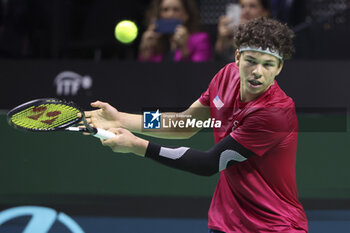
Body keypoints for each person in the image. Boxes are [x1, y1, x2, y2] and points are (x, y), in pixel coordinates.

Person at [84, 18, 308, 232]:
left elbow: (208, 163)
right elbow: (184, 123)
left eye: (268, 64)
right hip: (227, 222)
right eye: (251, 61)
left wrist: (136, 146)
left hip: (274, 227)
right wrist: (121, 118)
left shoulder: (274, 114)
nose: (257, 72)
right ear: (238, 57)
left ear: (279, 68)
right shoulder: (226, 77)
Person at [138, 0, 211, 62]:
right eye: (165, 10)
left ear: (186, 15)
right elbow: (143, 73)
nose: (170, 14)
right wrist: (145, 51)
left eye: (176, 9)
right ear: (159, 14)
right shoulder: (154, 41)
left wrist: (184, 48)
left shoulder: (201, 39)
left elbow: (200, 71)